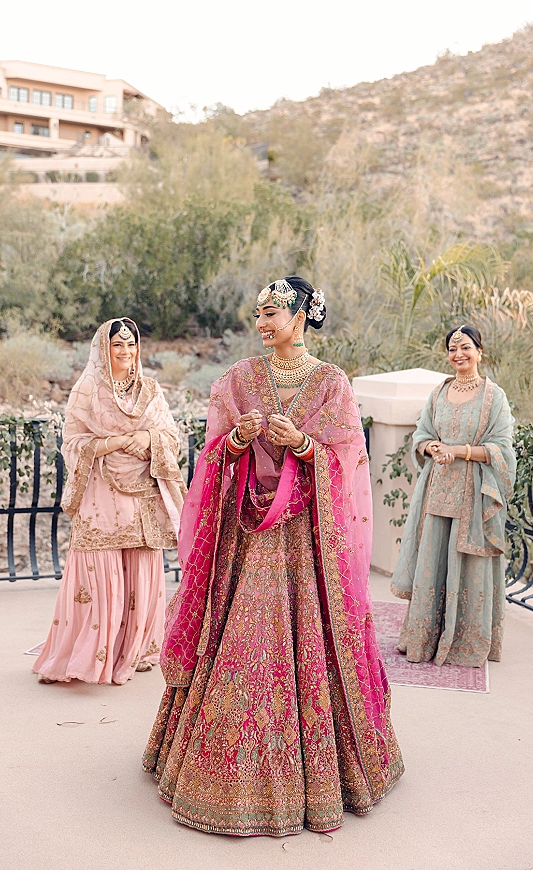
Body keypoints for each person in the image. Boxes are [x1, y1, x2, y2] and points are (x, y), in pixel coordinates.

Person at [143, 276, 404, 837]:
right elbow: (214, 450)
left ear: (303, 316)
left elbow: (347, 462)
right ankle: (217, 777)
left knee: (305, 646)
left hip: (308, 539)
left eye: (272, 313)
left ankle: (318, 779)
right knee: (244, 642)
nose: (261, 324)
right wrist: (236, 442)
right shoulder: (238, 379)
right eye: (258, 314)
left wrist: (303, 446)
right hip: (248, 533)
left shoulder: (331, 383)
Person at [34, 318, 186, 686]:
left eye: (131, 344)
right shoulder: (88, 389)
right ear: (104, 348)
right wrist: (117, 443)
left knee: (142, 570)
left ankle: (135, 650)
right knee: (98, 571)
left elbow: (172, 436)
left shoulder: (149, 389)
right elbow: (72, 442)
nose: (125, 351)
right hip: (102, 491)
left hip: (143, 493)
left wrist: (148, 438)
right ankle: (84, 654)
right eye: (117, 344)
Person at [391, 325, 516, 668]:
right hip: (437, 489)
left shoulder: (494, 397)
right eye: (452, 348)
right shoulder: (438, 393)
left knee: (468, 565)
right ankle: (425, 636)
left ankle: (465, 640)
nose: (458, 354)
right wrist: (432, 446)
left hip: (474, 494)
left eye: (465, 347)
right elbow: (423, 432)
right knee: (433, 564)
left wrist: (459, 451)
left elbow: (502, 449)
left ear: (479, 351)